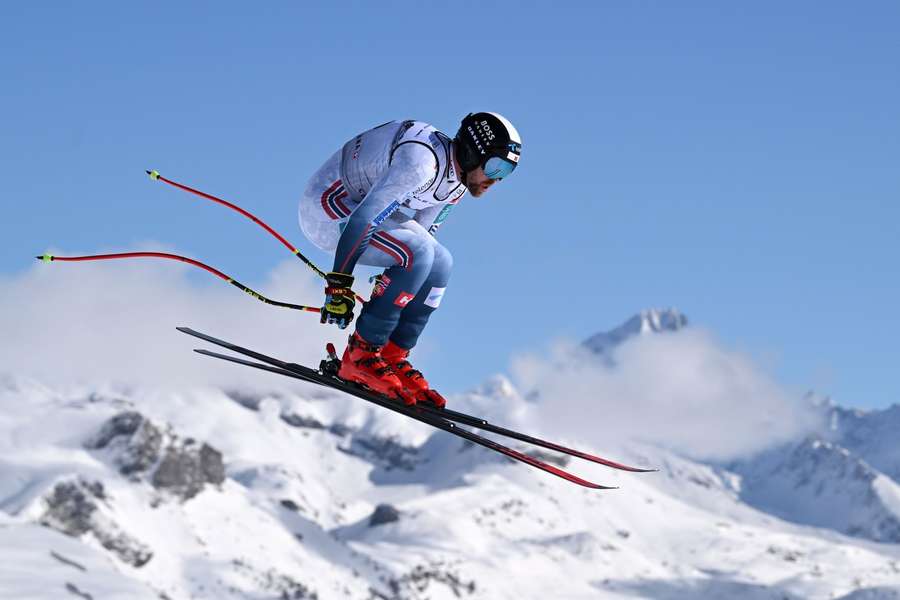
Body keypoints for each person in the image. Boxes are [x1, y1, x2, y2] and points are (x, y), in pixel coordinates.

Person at [298, 113, 522, 407]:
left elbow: (422, 238)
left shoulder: (456, 183)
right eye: (495, 166)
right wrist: (339, 285)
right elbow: (364, 220)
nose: (496, 180)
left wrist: (395, 290)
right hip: (328, 208)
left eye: (506, 172)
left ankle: (392, 355)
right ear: (471, 152)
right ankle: (360, 356)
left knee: (441, 262)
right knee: (418, 253)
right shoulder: (421, 164)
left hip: (363, 215)